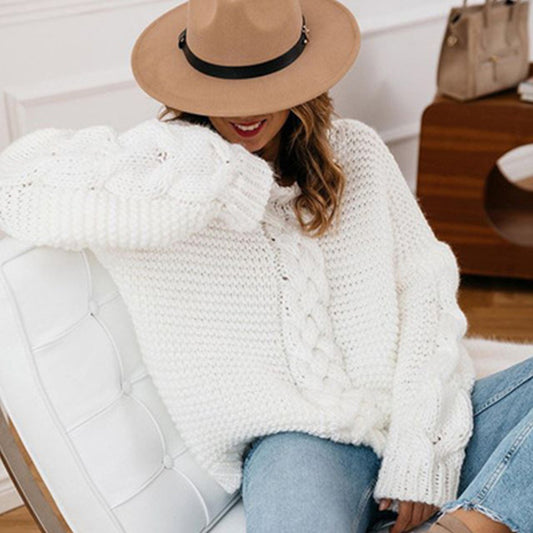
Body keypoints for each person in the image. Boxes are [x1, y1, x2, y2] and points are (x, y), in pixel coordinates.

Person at [0, 1, 531, 532]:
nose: (246, 111)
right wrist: (216, 172)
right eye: (225, 91)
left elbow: (426, 291)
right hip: (298, 447)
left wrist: (422, 449)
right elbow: (15, 184)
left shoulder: (359, 153)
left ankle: (468, 523)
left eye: (265, 86)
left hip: (402, 419)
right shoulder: (166, 187)